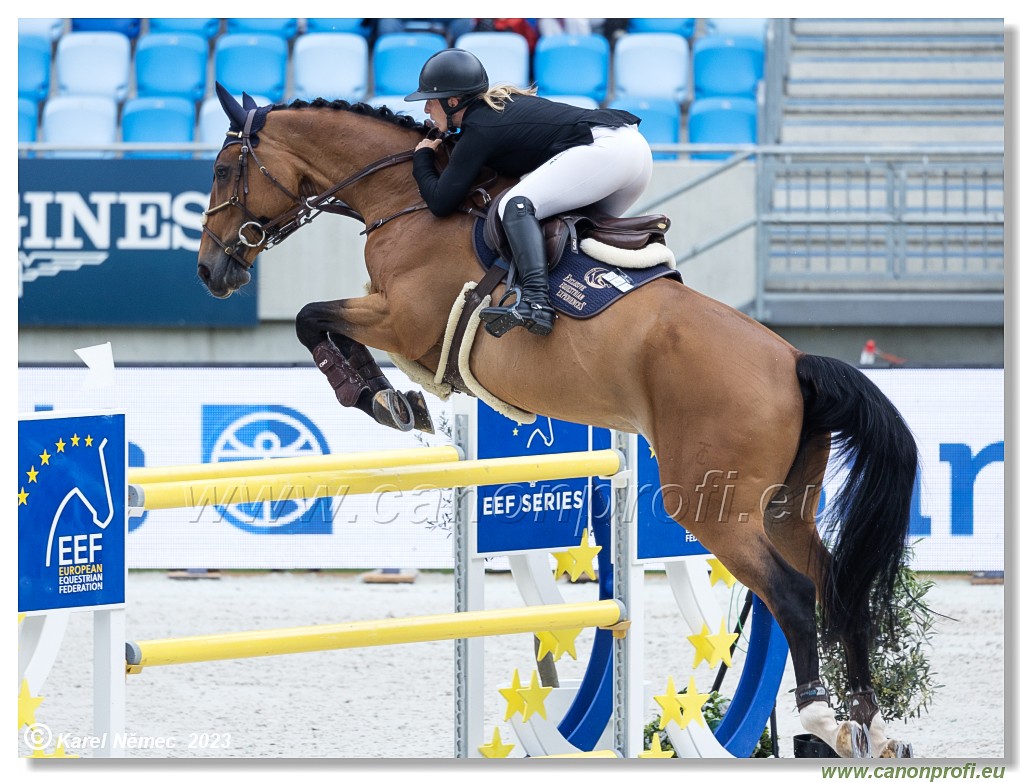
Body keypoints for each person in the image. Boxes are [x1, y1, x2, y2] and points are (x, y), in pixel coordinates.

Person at [405, 48, 653, 338]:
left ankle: (536, 302)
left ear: (453, 101)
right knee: (567, 231)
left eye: (430, 102)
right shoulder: (494, 110)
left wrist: (422, 158)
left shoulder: (479, 128)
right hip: (634, 153)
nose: (425, 111)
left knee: (514, 205)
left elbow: (440, 202)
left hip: (608, 150)